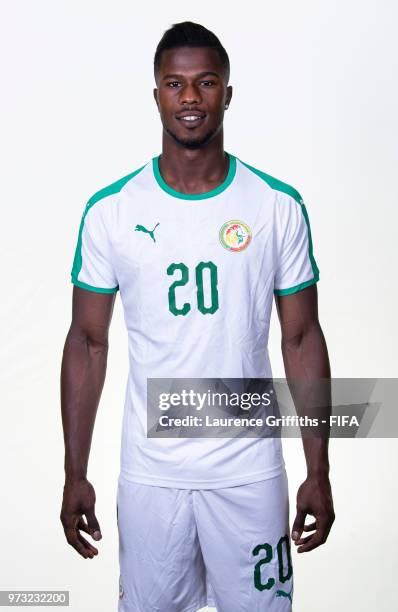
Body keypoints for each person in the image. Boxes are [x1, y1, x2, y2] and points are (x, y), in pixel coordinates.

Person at [60, 21, 335, 612]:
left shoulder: (275, 206)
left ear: (228, 92)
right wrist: (74, 471)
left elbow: (301, 337)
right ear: (155, 93)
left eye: (205, 82)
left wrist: (319, 468)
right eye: (175, 83)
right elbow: (88, 343)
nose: (190, 98)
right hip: (151, 477)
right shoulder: (111, 211)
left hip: (250, 472)